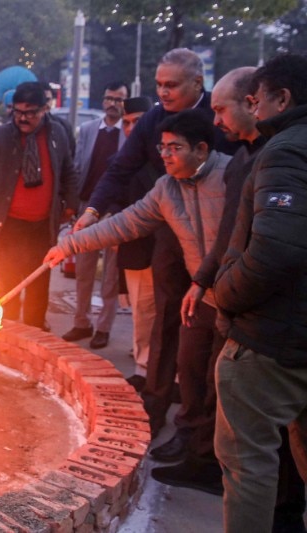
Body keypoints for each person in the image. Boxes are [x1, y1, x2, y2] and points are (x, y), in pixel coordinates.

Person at [46, 108, 231, 493]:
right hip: (201, 297)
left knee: (223, 384)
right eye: (162, 148)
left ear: (201, 149)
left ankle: (215, 462)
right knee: (191, 372)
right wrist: (70, 246)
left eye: (174, 148)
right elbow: (125, 223)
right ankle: (193, 448)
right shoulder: (167, 188)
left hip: (236, 297)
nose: (165, 155)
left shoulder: (232, 176)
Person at [75, 48, 238, 437]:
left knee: (211, 334)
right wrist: (92, 211)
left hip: (220, 238)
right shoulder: (153, 121)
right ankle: (157, 398)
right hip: (169, 226)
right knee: (167, 317)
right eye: (159, 85)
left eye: (172, 85)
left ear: (197, 84)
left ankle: (201, 427)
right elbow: (121, 168)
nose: (163, 92)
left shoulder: (221, 119)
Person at [213, 53, 307, 533]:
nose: (253, 109)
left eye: (256, 100)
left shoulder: (285, 151)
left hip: (272, 340)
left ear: (282, 98)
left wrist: (225, 293)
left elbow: (275, 249)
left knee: (246, 464)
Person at [0, 81, 78, 358]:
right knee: (1, 294)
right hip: (5, 231)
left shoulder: (58, 134)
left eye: (30, 113)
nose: (23, 118)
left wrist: (72, 206)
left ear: (45, 109)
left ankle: (30, 357)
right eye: (18, 112)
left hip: (41, 231)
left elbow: (68, 172)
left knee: (37, 297)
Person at [62, 81, 130, 350]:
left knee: (110, 276)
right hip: (87, 207)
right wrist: (74, 205)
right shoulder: (89, 129)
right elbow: (77, 167)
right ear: (103, 101)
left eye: (119, 99)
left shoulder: (130, 133)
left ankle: (103, 328)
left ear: (125, 102)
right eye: (109, 98)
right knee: (83, 270)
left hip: (116, 212)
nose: (113, 104)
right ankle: (82, 322)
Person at [116, 96, 158, 389]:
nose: (132, 128)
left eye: (138, 121)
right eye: (127, 123)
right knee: (142, 313)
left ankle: (173, 375)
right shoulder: (123, 162)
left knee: (171, 316)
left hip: (170, 248)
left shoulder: (165, 156)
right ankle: (143, 369)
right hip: (136, 248)